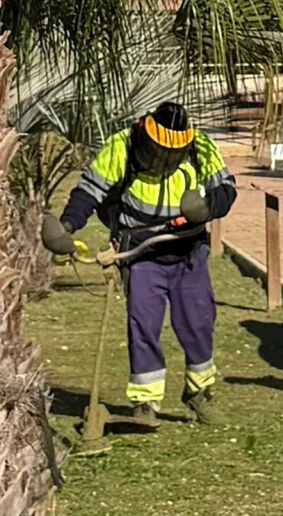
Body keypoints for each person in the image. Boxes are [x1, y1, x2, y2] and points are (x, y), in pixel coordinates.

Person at [43, 102, 238, 425]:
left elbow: (227, 190)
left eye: (170, 155)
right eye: (157, 152)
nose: (163, 160)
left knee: (198, 322)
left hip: (188, 248)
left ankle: (198, 393)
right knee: (144, 324)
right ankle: (145, 403)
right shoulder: (122, 145)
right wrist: (67, 227)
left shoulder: (200, 146)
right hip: (140, 251)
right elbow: (89, 191)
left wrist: (206, 207)